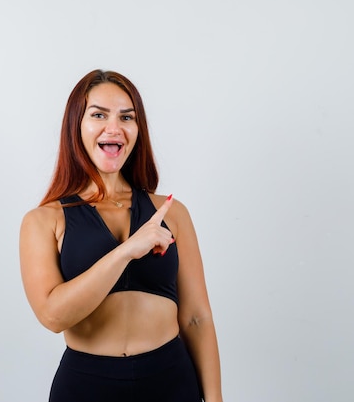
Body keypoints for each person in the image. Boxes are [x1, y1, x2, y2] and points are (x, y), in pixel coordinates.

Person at [19, 69, 223, 402]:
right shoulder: (44, 220)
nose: (114, 128)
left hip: (171, 381)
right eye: (98, 114)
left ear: (137, 129)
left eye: (126, 117)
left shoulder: (172, 212)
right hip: (86, 386)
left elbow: (197, 318)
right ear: (76, 126)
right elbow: (53, 316)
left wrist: (215, 400)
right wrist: (126, 250)